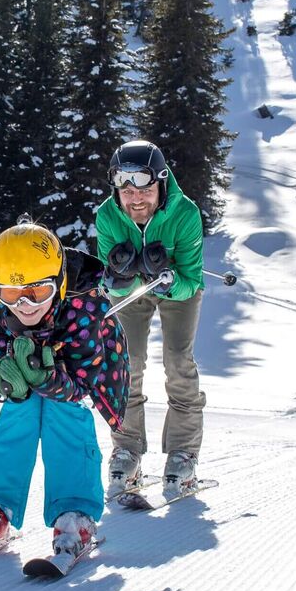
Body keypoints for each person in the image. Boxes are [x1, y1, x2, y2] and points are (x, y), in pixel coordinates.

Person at [0, 218, 130, 558]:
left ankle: (75, 512)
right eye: (11, 293)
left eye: (38, 291)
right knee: (17, 412)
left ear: (58, 280)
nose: (25, 304)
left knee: (65, 414)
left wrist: (47, 379)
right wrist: (10, 381)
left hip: (85, 367)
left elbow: (83, 381)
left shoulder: (85, 304)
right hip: (31, 366)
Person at [95, 139, 205, 497]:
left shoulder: (185, 214)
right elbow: (106, 278)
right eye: (124, 188)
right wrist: (119, 277)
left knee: (177, 360)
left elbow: (191, 281)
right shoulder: (108, 216)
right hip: (134, 293)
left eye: (143, 186)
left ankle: (183, 453)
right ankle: (126, 450)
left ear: (160, 182)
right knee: (127, 361)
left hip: (176, 289)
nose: (135, 198)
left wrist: (168, 280)